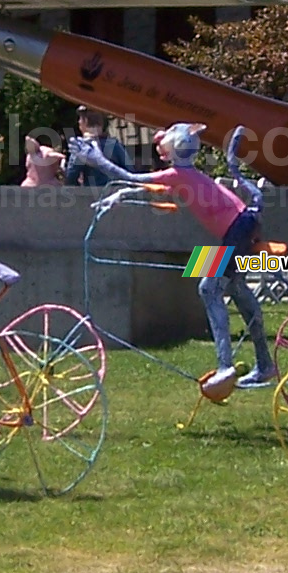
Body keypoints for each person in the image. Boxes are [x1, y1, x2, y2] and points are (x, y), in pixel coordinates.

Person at [73, 121, 274, 398]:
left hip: (237, 230)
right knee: (236, 290)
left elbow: (132, 177)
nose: (160, 148)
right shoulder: (183, 175)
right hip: (241, 226)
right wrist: (118, 196)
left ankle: (225, 366)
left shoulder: (178, 174)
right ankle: (264, 365)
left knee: (208, 287)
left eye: (164, 144)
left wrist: (97, 160)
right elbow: (148, 188)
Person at [62, 107, 131, 188]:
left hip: (93, 196)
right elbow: (130, 171)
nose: (78, 122)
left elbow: (71, 177)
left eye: (80, 119)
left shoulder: (82, 148)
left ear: (85, 121)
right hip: (116, 194)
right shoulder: (115, 145)